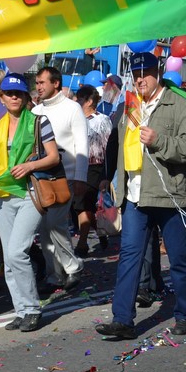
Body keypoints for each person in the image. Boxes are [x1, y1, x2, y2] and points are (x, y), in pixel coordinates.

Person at [95, 51, 186, 341]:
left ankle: (185, 313)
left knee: (179, 257)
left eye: (146, 72)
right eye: (136, 73)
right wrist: (114, 183)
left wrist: (159, 141)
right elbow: (117, 147)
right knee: (129, 257)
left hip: (170, 195)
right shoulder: (129, 105)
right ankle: (123, 319)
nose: (140, 78)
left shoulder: (177, 102)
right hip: (135, 196)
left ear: (158, 73)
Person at [0, 73, 59, 332]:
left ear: (26, 97)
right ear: (2, 98)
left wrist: (29, 165)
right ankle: (21, 310)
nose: (13, 97)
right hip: (3, 195)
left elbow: (53, 157)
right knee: (9, 257)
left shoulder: (39, 122)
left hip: (30, 192)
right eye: (8, 93)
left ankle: (33, 308)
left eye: (18, 93)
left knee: (17, 251)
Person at [31, 66, 88, 293]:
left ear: (56, 83)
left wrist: (80, 177)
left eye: (42, 82)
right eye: (37, 83)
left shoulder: (73, 108)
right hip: (41, 178)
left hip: (67, 177)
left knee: (55, 223)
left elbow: (82, 144)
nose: (38, 87)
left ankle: (73, 265)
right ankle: (54, 274)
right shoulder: (35, 111)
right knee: (44, 229)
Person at [73, 85, 113, 258]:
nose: (77, 102)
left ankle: (82, 244)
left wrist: (107, 174)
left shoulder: (101, 120)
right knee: (80, 204)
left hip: (95, 166)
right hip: (76, 164)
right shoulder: (75, 118)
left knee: (84, 202)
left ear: (89, 101)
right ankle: (100, 230)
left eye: (80, 99)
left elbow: (108, 146)